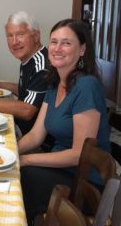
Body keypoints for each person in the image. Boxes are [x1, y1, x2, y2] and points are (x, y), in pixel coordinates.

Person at [17, 19, 110, 224]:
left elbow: (78, 154)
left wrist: (25, 160)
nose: (57, 48)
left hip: (83, 183)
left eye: (66, 43)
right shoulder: (55, 84)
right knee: (12, 172)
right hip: (60, 170)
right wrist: (9, 153)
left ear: (82, 50)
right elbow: (35, 136)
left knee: (23, 177)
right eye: (54, 42)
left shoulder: (87, 86)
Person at [0, 11, 50, 137]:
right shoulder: (30, 57)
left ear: (36, 36)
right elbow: (28, 90)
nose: (14, 42)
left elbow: (27, 110)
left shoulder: (41, 65)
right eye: (10, 36)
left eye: (20, 34)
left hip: (32, 139)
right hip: (20, 128)